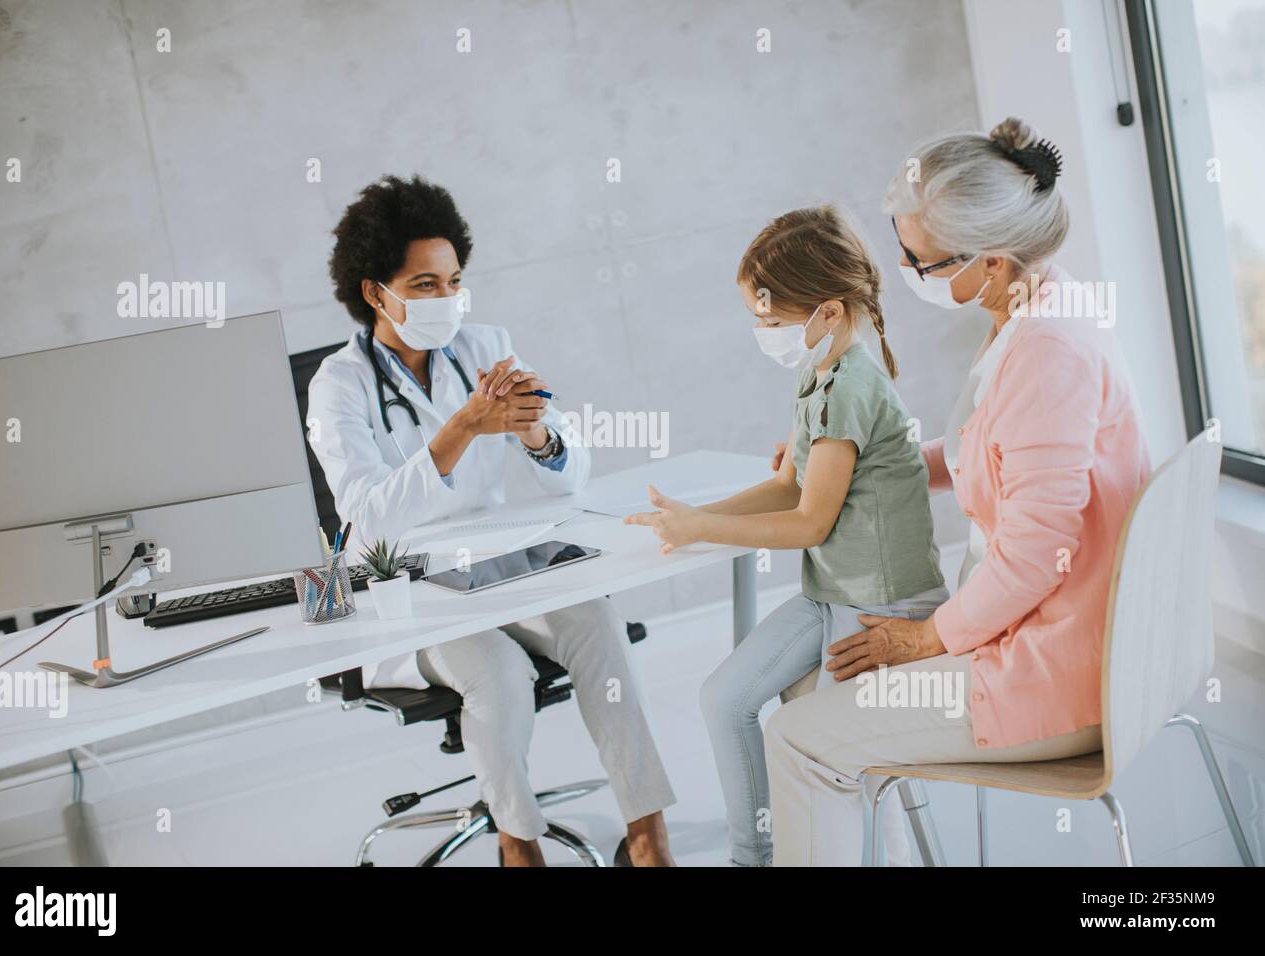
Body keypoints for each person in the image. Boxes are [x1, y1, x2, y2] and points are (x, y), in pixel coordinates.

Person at [763, 118, 1151, 865]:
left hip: (1055, 674)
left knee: (797, 736)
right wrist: (867, 461)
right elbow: (991, 450)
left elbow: (1037, 559)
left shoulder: (1046, 352)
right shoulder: (1037, 306)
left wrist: (925, 638)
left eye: (922, 260)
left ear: (994, 261)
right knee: (810, 680)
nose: (906, 269)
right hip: (1069, 639)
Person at [308, 175, 676, 866]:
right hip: (407, 597)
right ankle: (518, 840)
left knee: (596, 619)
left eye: (453, 282)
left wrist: (535, 433)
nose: (445, 300)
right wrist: (462, 429)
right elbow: (368, 523)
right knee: (500, 675)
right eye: (424, 285)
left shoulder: (486, 347)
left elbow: (572, 474)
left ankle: (647, 835)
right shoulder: (339, 386)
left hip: (499, 572)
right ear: (373, 292)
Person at [625, 204, 948, 867]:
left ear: (827, 311)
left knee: (824, 756)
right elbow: (788, 486)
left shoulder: (850, 385)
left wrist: (703, 525)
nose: (762, 333)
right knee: (725, 698)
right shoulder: (818, 371)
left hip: (879, 607)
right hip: (831, 593)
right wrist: (694, 516)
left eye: (771, 321)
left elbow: (810, 521)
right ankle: (756, 856)